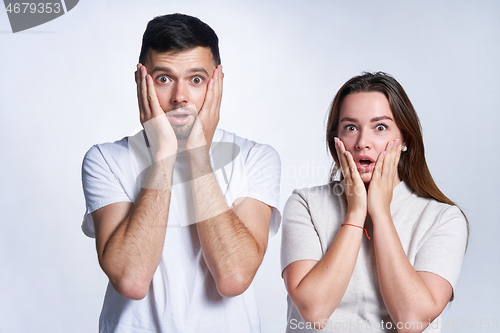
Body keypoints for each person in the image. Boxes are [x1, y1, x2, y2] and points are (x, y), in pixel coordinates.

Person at [81, 13, 281, 333]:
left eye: (196, 79)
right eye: (164, 78)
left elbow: (233, 277)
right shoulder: (105, 159)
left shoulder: (257, 158)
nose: (180, 97)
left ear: (217, 83)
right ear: (140, 81)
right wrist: (164, 155)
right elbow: (131, 279)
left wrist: (198, 156)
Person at [281, 72, 468, 332]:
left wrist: (380, 213)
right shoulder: (306, 204)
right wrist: (356, 213)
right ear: (336, 140)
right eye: (350, 127)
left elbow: (412, 320)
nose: (362, 143)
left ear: (405, 139)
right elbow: (314, 311)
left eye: (380, 127)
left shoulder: (443, 218)